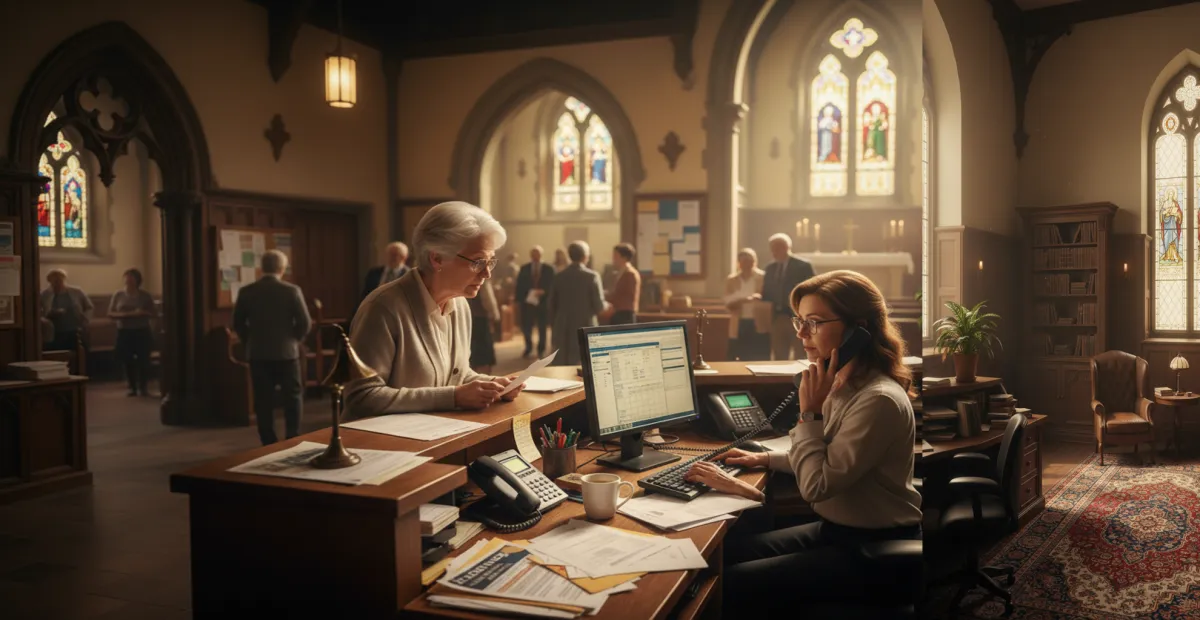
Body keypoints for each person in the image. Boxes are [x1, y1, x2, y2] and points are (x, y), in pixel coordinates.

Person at [685, 270, 920, 609]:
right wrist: (766, 459)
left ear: (858, 330)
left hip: (872, 546)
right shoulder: (842, 383)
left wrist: (810, 413)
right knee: (719, 557)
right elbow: (830, 456)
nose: (801, 333)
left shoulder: (877, 399)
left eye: (814, 322)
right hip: (837, 530)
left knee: (726, 585)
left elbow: (817, 485)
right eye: (799, 321)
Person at [344, 201, 525, 419]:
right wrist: (455, 397)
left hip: (437, 436)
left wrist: (491, 384)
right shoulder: (383, 308)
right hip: (382, 445)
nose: (486, 274)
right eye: (477, 262)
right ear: (437, 258)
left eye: (490, 262)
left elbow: (456, 375)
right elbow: (361, 398)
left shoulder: (460, 304)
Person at [233, 250, 313, 446]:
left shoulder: (246, 291)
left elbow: (238, 323)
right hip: (287, 353)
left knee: (263, 400)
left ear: (262, 267)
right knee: (292, 397)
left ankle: (268, 441)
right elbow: (305, 322)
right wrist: (294, 340)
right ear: (282, 268)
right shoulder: (292, 290)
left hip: (258, 353)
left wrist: (249, 341)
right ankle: (292, 437)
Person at [549, 241, 608, 366]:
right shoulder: (592, 276)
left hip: (563, 327)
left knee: (563, 367)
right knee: (585, 366)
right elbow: (599, 306)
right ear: (586, 256)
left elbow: (551, 304)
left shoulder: (559, 276)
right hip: (585, 326)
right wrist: (607, 305)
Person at [761, 233, 814, 361]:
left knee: (800, 353)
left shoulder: (802, 266)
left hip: (797, 317)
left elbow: (811, 289)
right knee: (779, 354)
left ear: (785, 247)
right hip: (777, 317)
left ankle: (801, 380)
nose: (773, 251)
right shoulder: (770, 268)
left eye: (776, 247)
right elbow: (766, 291)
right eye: (771, 248)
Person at [108, 268, 157, 396]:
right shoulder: (118, 294)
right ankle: (132, 387)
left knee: (143, 359)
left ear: (137, 280)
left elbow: (153, 313)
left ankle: (143, 387)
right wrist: (127, 314)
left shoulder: (145, 295)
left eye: (131, 277)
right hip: (125, 331)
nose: (128, 279)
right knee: (127, 359)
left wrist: (143, 313)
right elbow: (111, 313)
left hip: (141, 331)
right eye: (126, 277)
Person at [725, 248, 769, 361]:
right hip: (739, 321)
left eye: (750, 261)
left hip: (758, 321)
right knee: (739, 353)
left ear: (755, 261)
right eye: (744, 261)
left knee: (758, 354)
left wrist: (741, 299)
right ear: (739, 263)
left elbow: (766, 296)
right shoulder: (732, 279)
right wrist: (746, 299)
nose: (747, 264)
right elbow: (728, 301)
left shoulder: (763, 277)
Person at [515, 246, 555, 359]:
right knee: (526, 326)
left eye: (537, 253)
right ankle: (528, 347)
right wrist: (520, 299)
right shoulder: (524, 268)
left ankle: (541, 349)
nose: (535, 256)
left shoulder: (549, 268)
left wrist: (544, 291)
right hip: (528, 302)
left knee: (542, 327)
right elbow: (519, 285)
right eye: (533, 253)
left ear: (541, 255)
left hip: (543, 302)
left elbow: (553, 285)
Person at [39, 268, 93, 352]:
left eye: (60, 280)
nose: (58, 283)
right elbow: (38, 311)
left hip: (74, 330)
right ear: (50, 282)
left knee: (79, 353)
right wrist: (48, 316)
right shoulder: (44, 294)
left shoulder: (76, 292)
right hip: (54, 332)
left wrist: (85, 319)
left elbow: (89, 307)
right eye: (55, 281)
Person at [468, 280, 500, 374]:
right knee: (484, 352)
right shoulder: (481, 277)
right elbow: (488, 298)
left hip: (468, 316)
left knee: (472, 351)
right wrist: (495, 315)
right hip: (480, 317)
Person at [606, 243, 641, 325]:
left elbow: (626, 295)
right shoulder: (621, 272)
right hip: (619, 313)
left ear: (624, 257)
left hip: (625, 315)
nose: (613, 259)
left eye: (615, 256)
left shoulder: (630, 274)